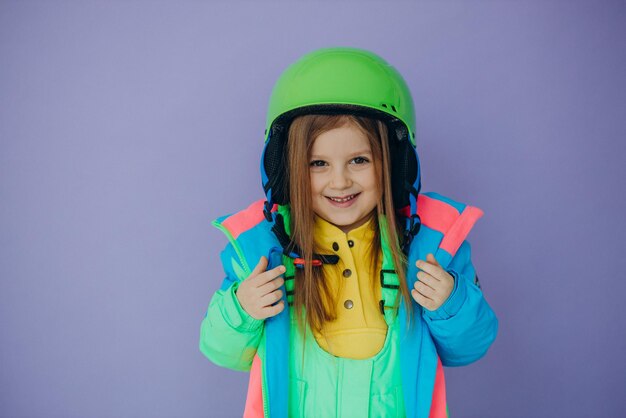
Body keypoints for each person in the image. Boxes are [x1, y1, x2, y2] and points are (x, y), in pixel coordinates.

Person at [199, 47, 498, 418]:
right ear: (285, 171)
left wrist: (451, 303)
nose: (340, 181)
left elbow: (470, 347)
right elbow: (219, 350)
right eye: (318, 164)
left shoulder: (430, 247)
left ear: (395, 163)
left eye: (359, 160)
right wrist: (242, 309)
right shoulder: (263, 250)